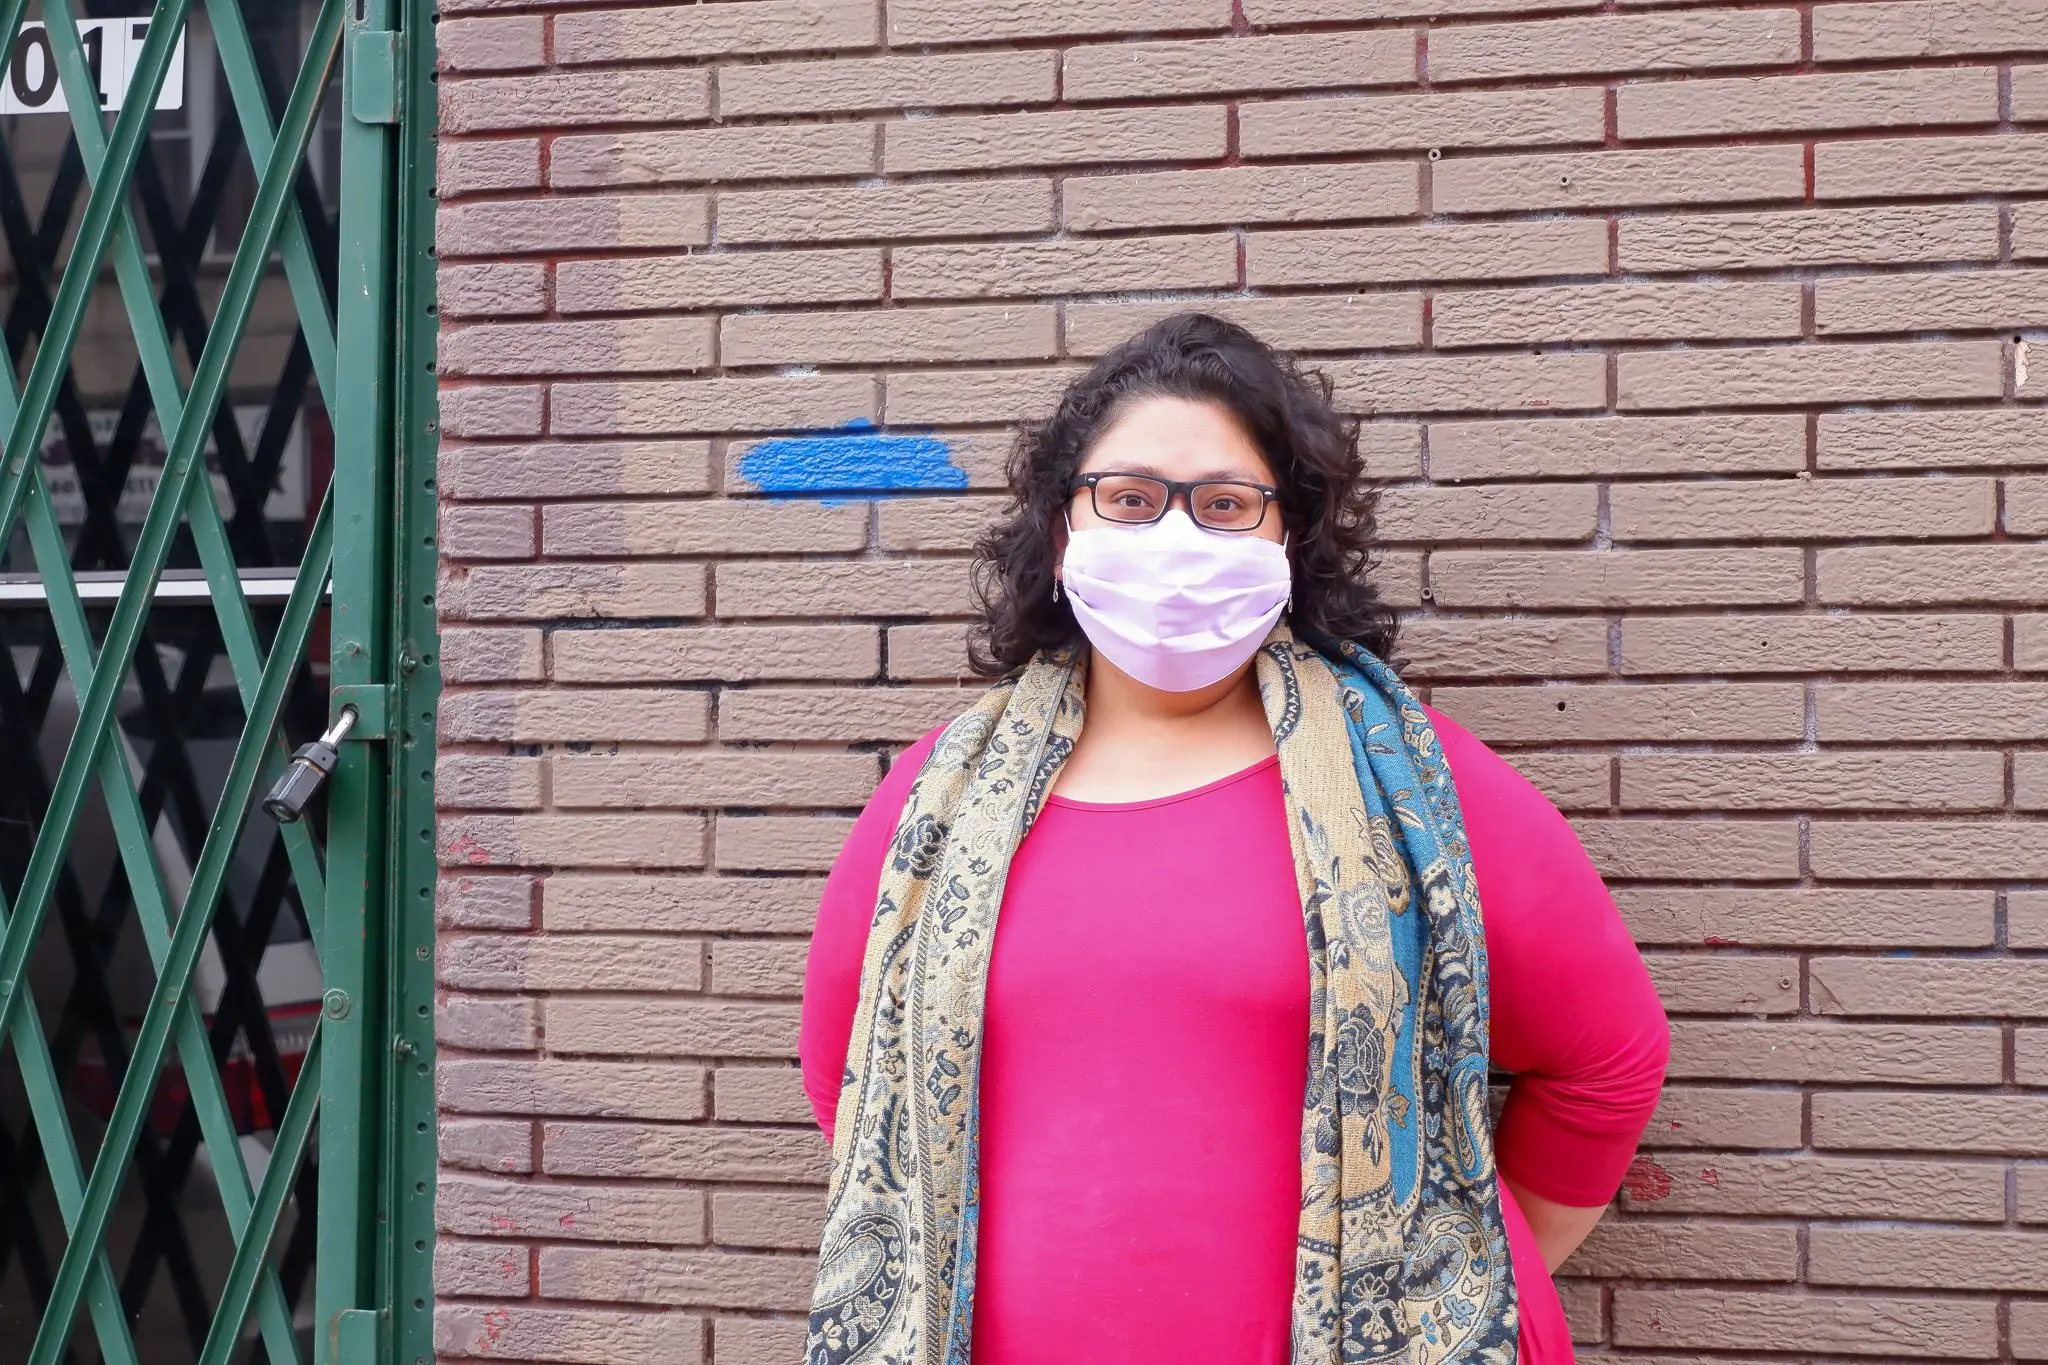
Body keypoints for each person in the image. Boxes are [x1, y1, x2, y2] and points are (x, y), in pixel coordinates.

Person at [799, 313, 1670, 1365]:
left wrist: (1444, 1296)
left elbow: (1605, 1061)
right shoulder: (935, 805)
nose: (1173, 540)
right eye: (1126, 500)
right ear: (1059, 526)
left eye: (1223, 505)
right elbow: (851, 1076)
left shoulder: (1416, 789)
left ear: (1288, 536)